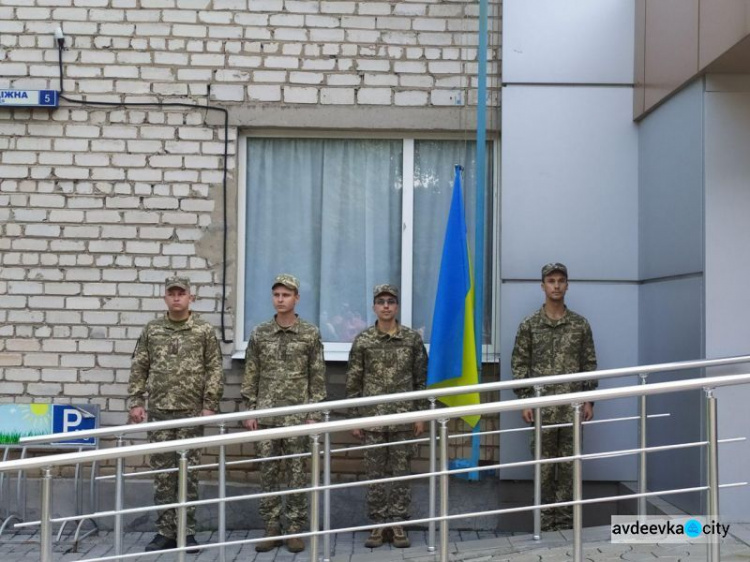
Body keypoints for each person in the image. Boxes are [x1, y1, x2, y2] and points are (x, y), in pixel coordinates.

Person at [127, 275, 224, 553]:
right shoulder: (153, 330)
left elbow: (214, 369)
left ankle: (187, 531)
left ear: (191, 297)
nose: (177, 297)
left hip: (191, 413)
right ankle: (165, 531)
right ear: (165, 297)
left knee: (188, 475)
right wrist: (136, 401)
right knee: (164, 474)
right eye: (172, 293)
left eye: (182, 293)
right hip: (159, 413)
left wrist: (210, 404)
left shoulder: (203, 330)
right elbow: (139, 367)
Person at [241, 274, 326, 554]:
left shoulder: (310, 333)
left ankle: (294, 529)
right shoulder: (260, 333)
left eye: (286, 295)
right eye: (277, 295)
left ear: (296, 298)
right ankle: (271, 528)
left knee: (297, 475)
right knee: (268, 474)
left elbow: (317, 376)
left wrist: (313, 412)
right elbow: (251, 373)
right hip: (266, 417)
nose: (281, 300)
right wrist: (250, 408)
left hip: (298, 417)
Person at [511, 263, 598, 532]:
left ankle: (567, 525)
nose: (556, 286)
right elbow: (519, 364)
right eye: (551, 281)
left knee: (570, 469)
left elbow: (589, 363)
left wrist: (588, 399)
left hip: (572, 408)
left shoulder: (579, 325)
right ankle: (545, 523)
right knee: (543, 469)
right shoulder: (529, 325)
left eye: (561, 280)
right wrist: (525, 399)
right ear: (543, 286)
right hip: (541, 410)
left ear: (567, 285)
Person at [346, 284, 428, 549]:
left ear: (397, 307)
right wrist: (355, 417)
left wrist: (420, 414)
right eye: (381, 301)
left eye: (391, 301)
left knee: (402, 473)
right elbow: (353, 382)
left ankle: (398, 524)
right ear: (374, 307)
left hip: (404, 418)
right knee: (376, 475)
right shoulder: (364, 340)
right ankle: (378, 524)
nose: (386, 306)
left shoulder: (411, 339)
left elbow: (421, 379)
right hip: (373, 421)